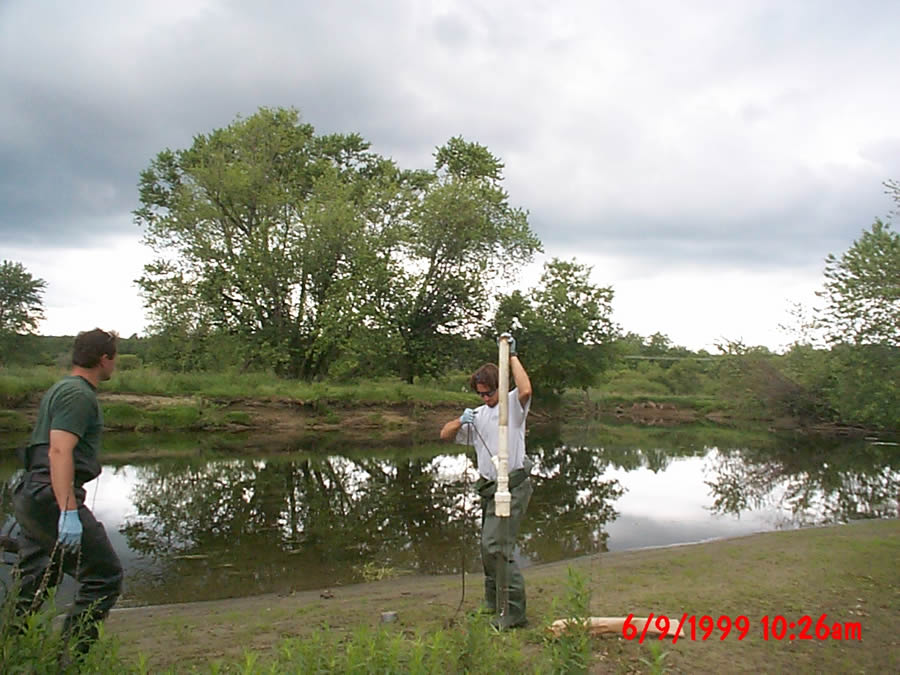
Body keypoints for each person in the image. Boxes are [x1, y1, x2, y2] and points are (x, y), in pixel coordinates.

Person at [12, 328, 123, 655]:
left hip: (35, 493)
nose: (114, 366)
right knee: (104, 576)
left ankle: (11, 648)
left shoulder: (64, 388)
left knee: (35, 580)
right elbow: (59, 451)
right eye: (114, 358)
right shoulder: (78, 394)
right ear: (104, 359)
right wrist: (68, 511)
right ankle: (71, 659)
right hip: (50, 496)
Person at [440, 333, 533, 629]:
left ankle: (515, 613)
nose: (485, 398)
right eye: (480, 394)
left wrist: (512, 357)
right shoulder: (478, 415)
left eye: (489, 392)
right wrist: (460, 421)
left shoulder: (511, 406)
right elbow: (444, 434)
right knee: (486, 548)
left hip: (513, 485)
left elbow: (526, 389)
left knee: (497, 546)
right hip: (488, 488)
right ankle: (492, 602)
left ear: (498, 387)